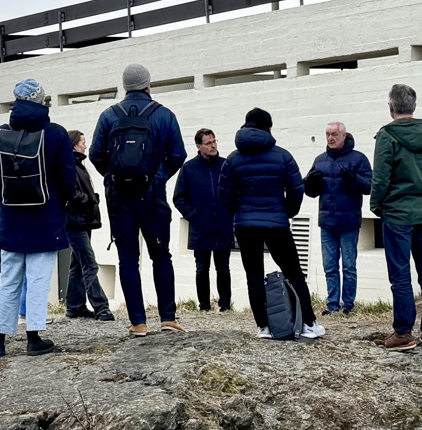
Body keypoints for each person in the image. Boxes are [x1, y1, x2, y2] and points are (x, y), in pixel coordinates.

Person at [0, 79, 79, 357]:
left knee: (10, 279)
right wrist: (63, 203)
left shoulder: (1, 133)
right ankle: (34, 338)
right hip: (46, 217)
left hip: (12, 217)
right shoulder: (57, 134)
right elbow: (67, 179)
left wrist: (5, 201)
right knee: (38, 279)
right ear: (42, 102)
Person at [89, 63, 188, 335]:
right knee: (161, 256)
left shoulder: (109, 115)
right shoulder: (164, 115)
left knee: (128, 259)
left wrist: (113, 176)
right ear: (148, 85)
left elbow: (96, 154)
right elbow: (178, 154)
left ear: (125, 86)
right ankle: (168, 318)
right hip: (152, 197)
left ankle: (138, 323)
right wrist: (158, 177)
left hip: (119, 199)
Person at [218, 108, 317, 335]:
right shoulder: (283, 156)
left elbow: (224, 193)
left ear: (246, 125)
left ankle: (264, 326)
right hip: (276, 223)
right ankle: (308, 323)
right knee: (293, 271)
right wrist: (287, 212)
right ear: (269, 128)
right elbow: (296, 190)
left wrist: (239, 211)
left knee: (253, 274)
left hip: (245, 224)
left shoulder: (233, 159)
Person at [369, 83, 422, 352]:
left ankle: (403, 332)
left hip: (396, 213)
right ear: (413, 106)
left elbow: (380, 179)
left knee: (400, 275)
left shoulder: (387, 137)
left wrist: (377, 206)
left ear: (391, 107)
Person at [304, 121, 372, 316]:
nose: (330, 138)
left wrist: (353, 179)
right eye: (327, 134)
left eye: (334, 134)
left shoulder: (358, 159)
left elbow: (369, 186)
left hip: (349, 222)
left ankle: (348, 305)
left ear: (344, 136)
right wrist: (310, 183)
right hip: (327, 222)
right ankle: (332, 304)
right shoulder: (320, 159)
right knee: (330, 266)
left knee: (349, 266)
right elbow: (310, 192)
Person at [173, 128, 236, 312]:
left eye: (215, 141)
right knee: (202, 269)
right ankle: (204, 307)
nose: (213, 145)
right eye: (208, 143)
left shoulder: (226, 166)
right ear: (199, 146)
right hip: (200, 227)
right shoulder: (189, 168)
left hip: (222, 226)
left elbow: (235, 192)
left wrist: (230, 212)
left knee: (223, 268)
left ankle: (225, 305)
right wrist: (193, 215)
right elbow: (179, 198)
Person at [62, 129, 113, 321]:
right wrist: (91, 199)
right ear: (74, 144)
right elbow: (71, 193)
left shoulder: (76, 165)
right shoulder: (70, 166)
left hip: (81, 221)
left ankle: (74, 307)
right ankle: (101, 307)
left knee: (78, 264)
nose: (85, 145)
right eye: (82, 141)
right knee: (89, 264)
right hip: (75, 222)